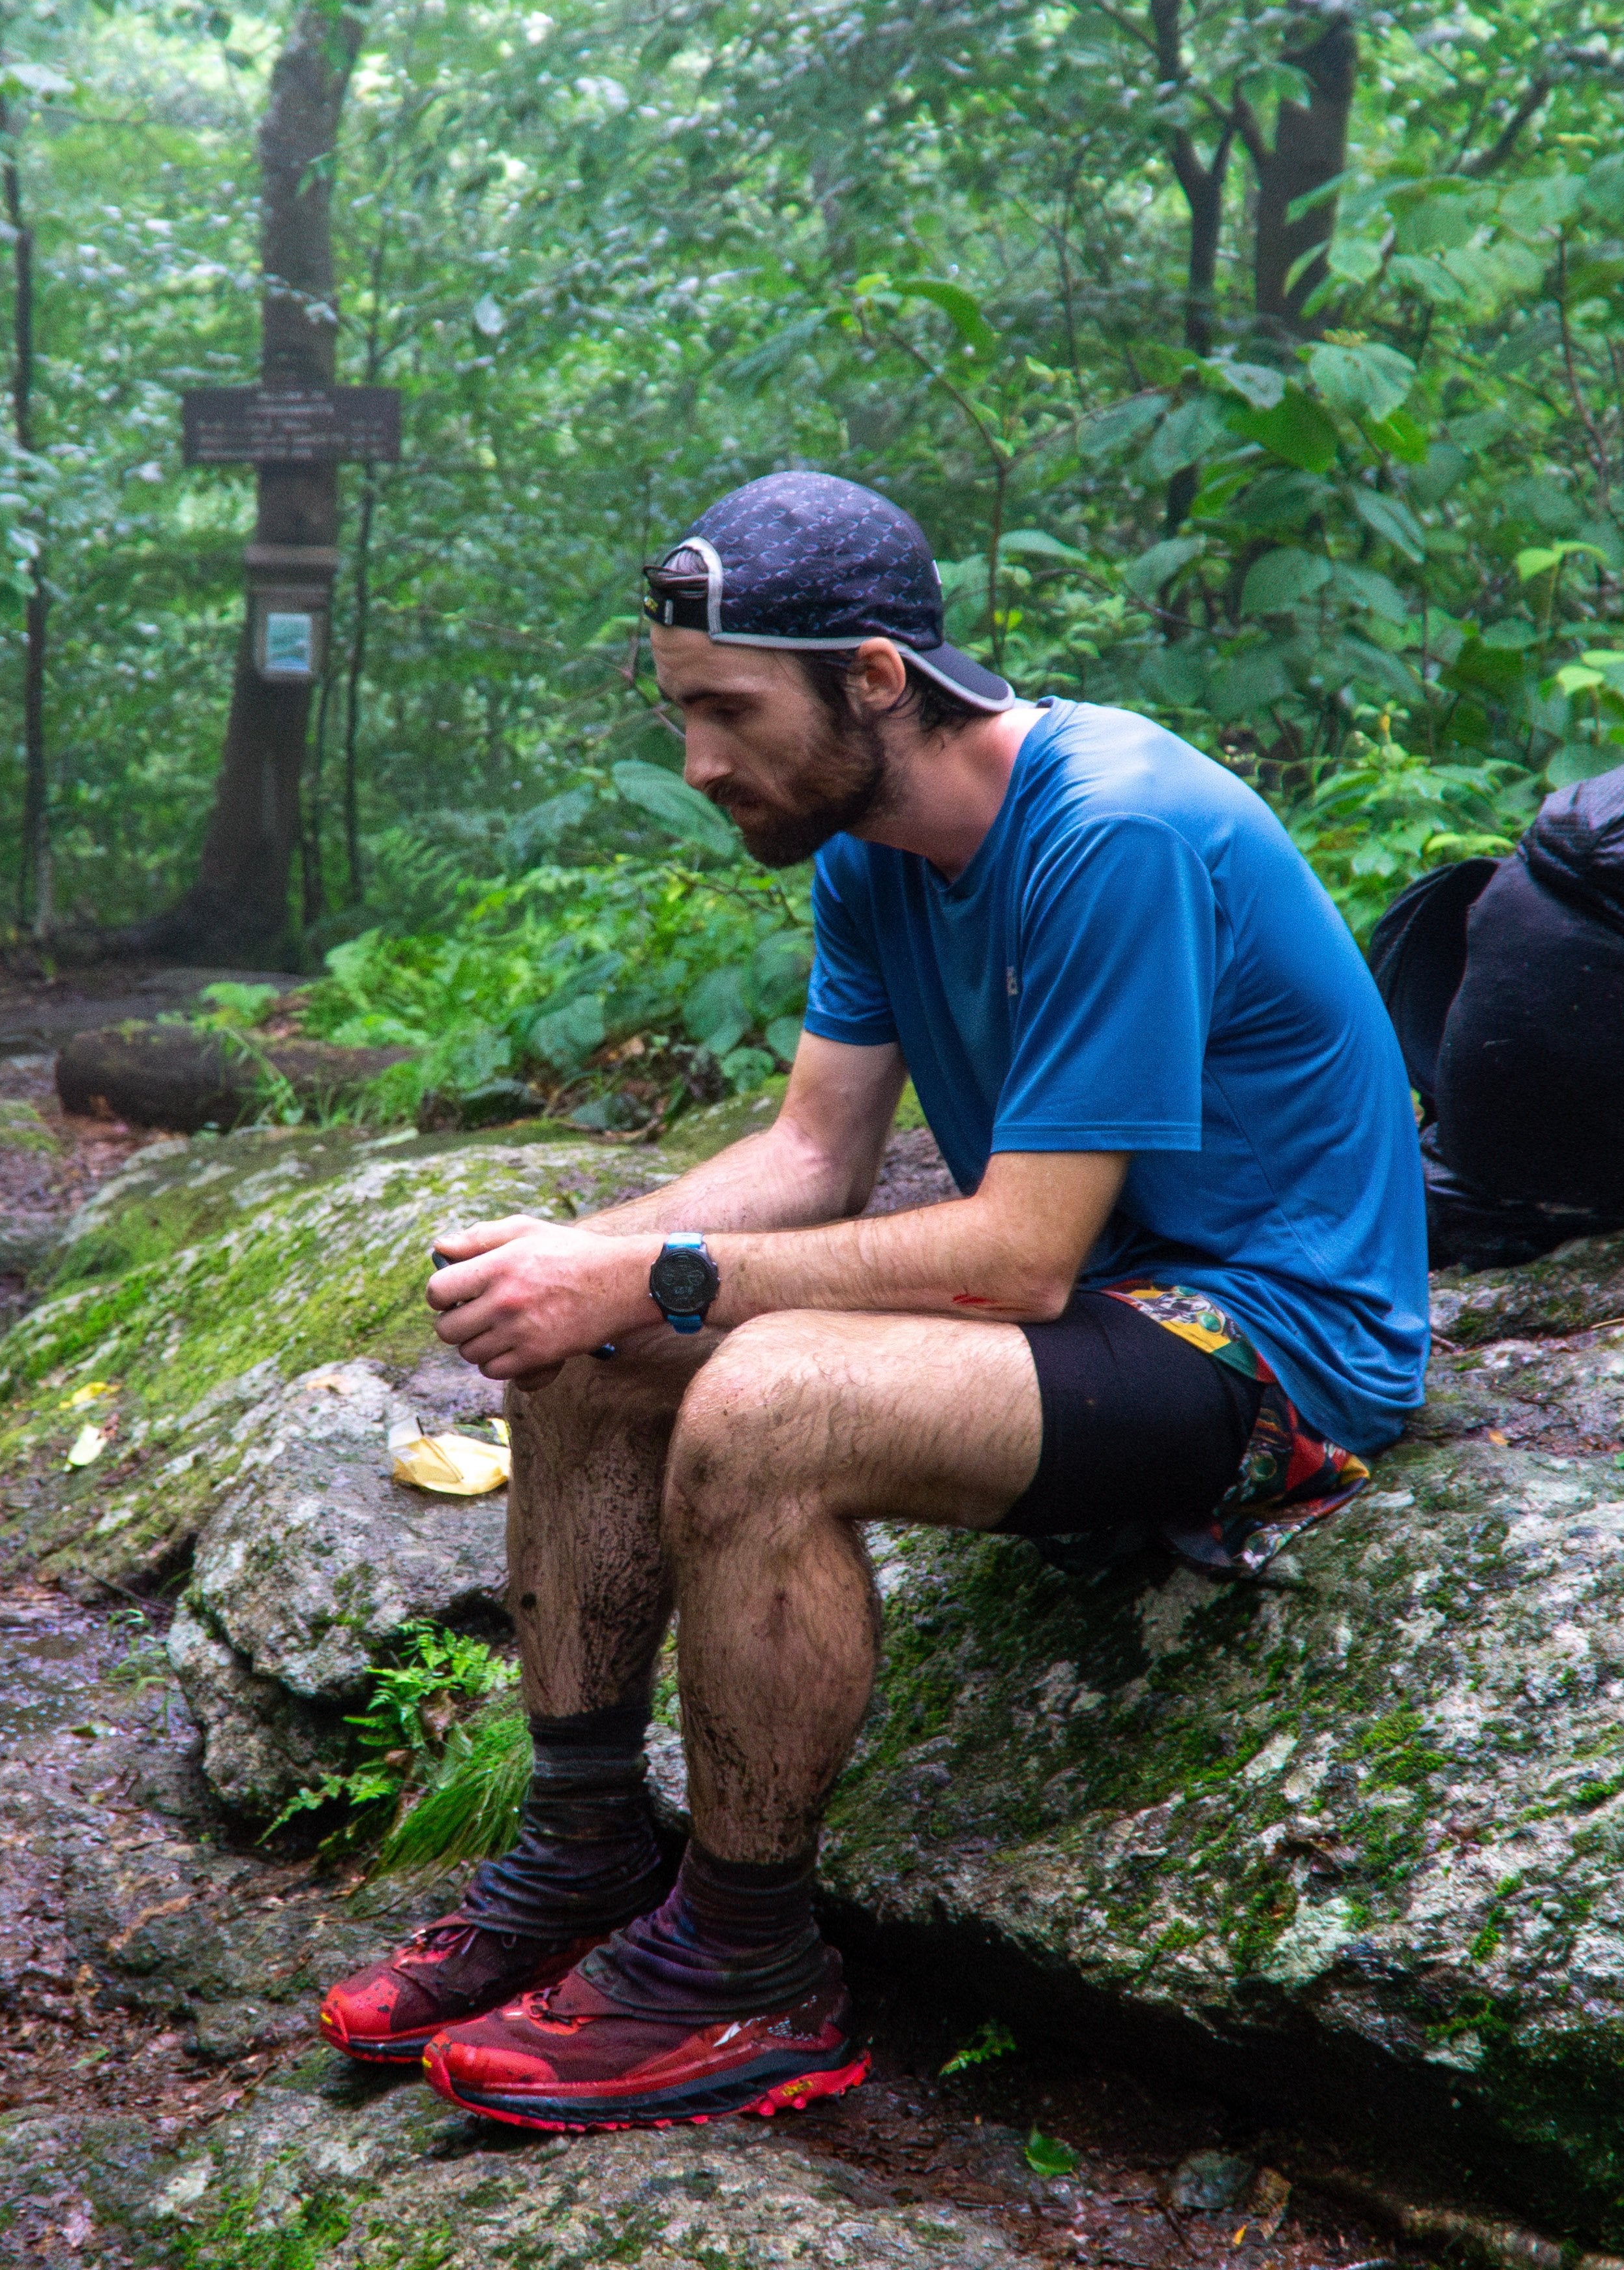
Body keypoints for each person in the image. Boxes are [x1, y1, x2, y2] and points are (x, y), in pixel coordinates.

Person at [316, 471, 1431, 2132]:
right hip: (1097, 1311)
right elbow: (810, 1153)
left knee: (771, 1403)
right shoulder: (873, 846)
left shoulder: (1110, 828)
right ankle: (582, 1856)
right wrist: (572, 1265)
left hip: (1265, 1340)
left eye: (724, 712)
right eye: (681, 712)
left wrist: (655, 1272)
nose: (697, 764)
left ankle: (747, 1973)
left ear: (874, 678)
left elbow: (1023, 1248)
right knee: (594, 1346)